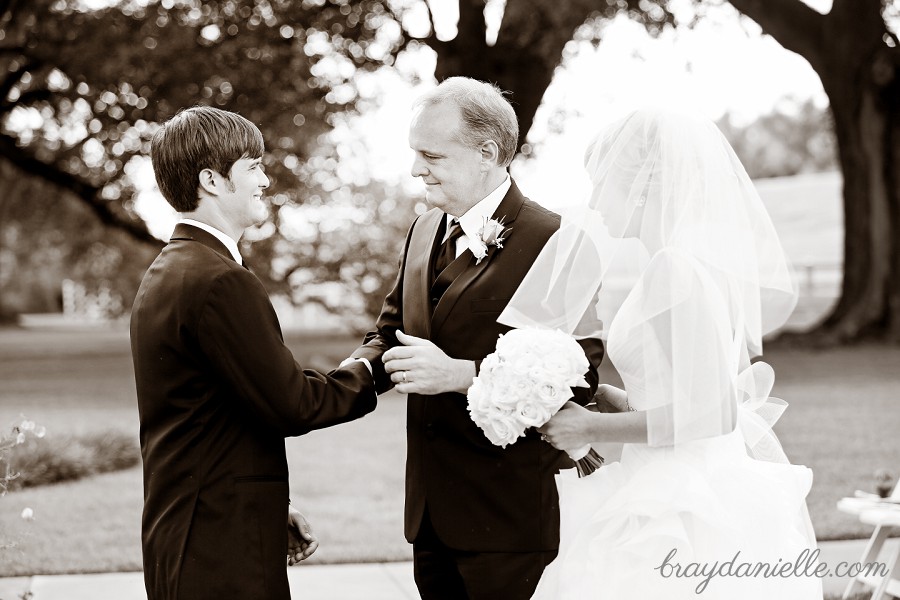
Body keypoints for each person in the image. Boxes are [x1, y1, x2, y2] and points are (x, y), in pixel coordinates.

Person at [498, 108, 822, 598]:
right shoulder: (678, 265)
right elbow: (687, 393)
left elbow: (715, 411)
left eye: (601, 181)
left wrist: (589, 428)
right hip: (669, 473)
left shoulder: (675, 270)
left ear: (642, 185)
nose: (594, 198)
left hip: (679, 497)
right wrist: (617, 399)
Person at [350, 77, 605, 599]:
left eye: (431, 155)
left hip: (507, 516)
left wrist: (462, 375)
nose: (416, 169)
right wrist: (344, 379)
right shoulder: (423, 229)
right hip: (429, 517)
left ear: (487, 153)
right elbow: (389, 332)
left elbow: (581, 373)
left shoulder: (559, 241)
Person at [130, 106, 377, 600]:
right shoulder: (221, 281)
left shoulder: (170, 270)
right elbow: (292, 402)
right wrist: (372, 369)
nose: (265, 179)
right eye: (253, 166)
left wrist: (268, 504)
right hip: (219, 549)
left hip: (193, 529)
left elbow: (216, 412)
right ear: (212, 180)